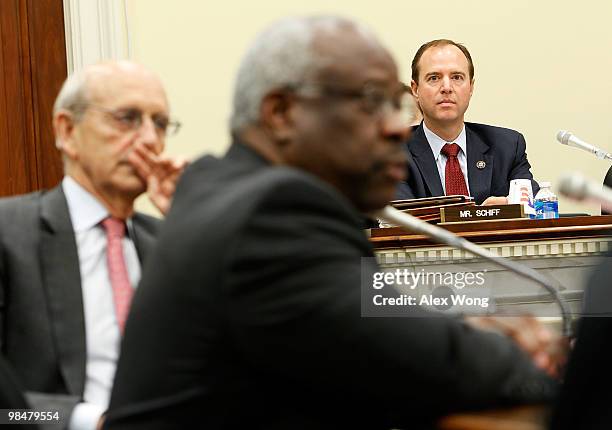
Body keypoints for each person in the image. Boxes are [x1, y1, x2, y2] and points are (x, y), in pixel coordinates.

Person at [105, 16, 557, 430]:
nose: (399, 128)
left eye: (396, 104)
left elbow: (373, 318)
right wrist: (541, 366)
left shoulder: (223, 185)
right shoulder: (274, 215)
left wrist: (462, 327)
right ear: (280, 114)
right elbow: (417, 359)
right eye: (370, 103)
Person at [0, 61, 185, 430]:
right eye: (127, 118)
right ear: (67, 131)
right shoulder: (8, 232)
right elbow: (7, 413)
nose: (150, 140)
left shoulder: (172, 242)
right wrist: (90, 422)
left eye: (160, 123)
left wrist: (193, 227)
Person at [396, 39, 538, 205]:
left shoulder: (507, 146)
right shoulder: (392, 152)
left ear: (470, 87)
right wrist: (481, 218)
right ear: (415, 89)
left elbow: (534, 205)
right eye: (434, 78)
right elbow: (403, 219)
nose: (447, 87)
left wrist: (509, 206)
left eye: (457, 77)